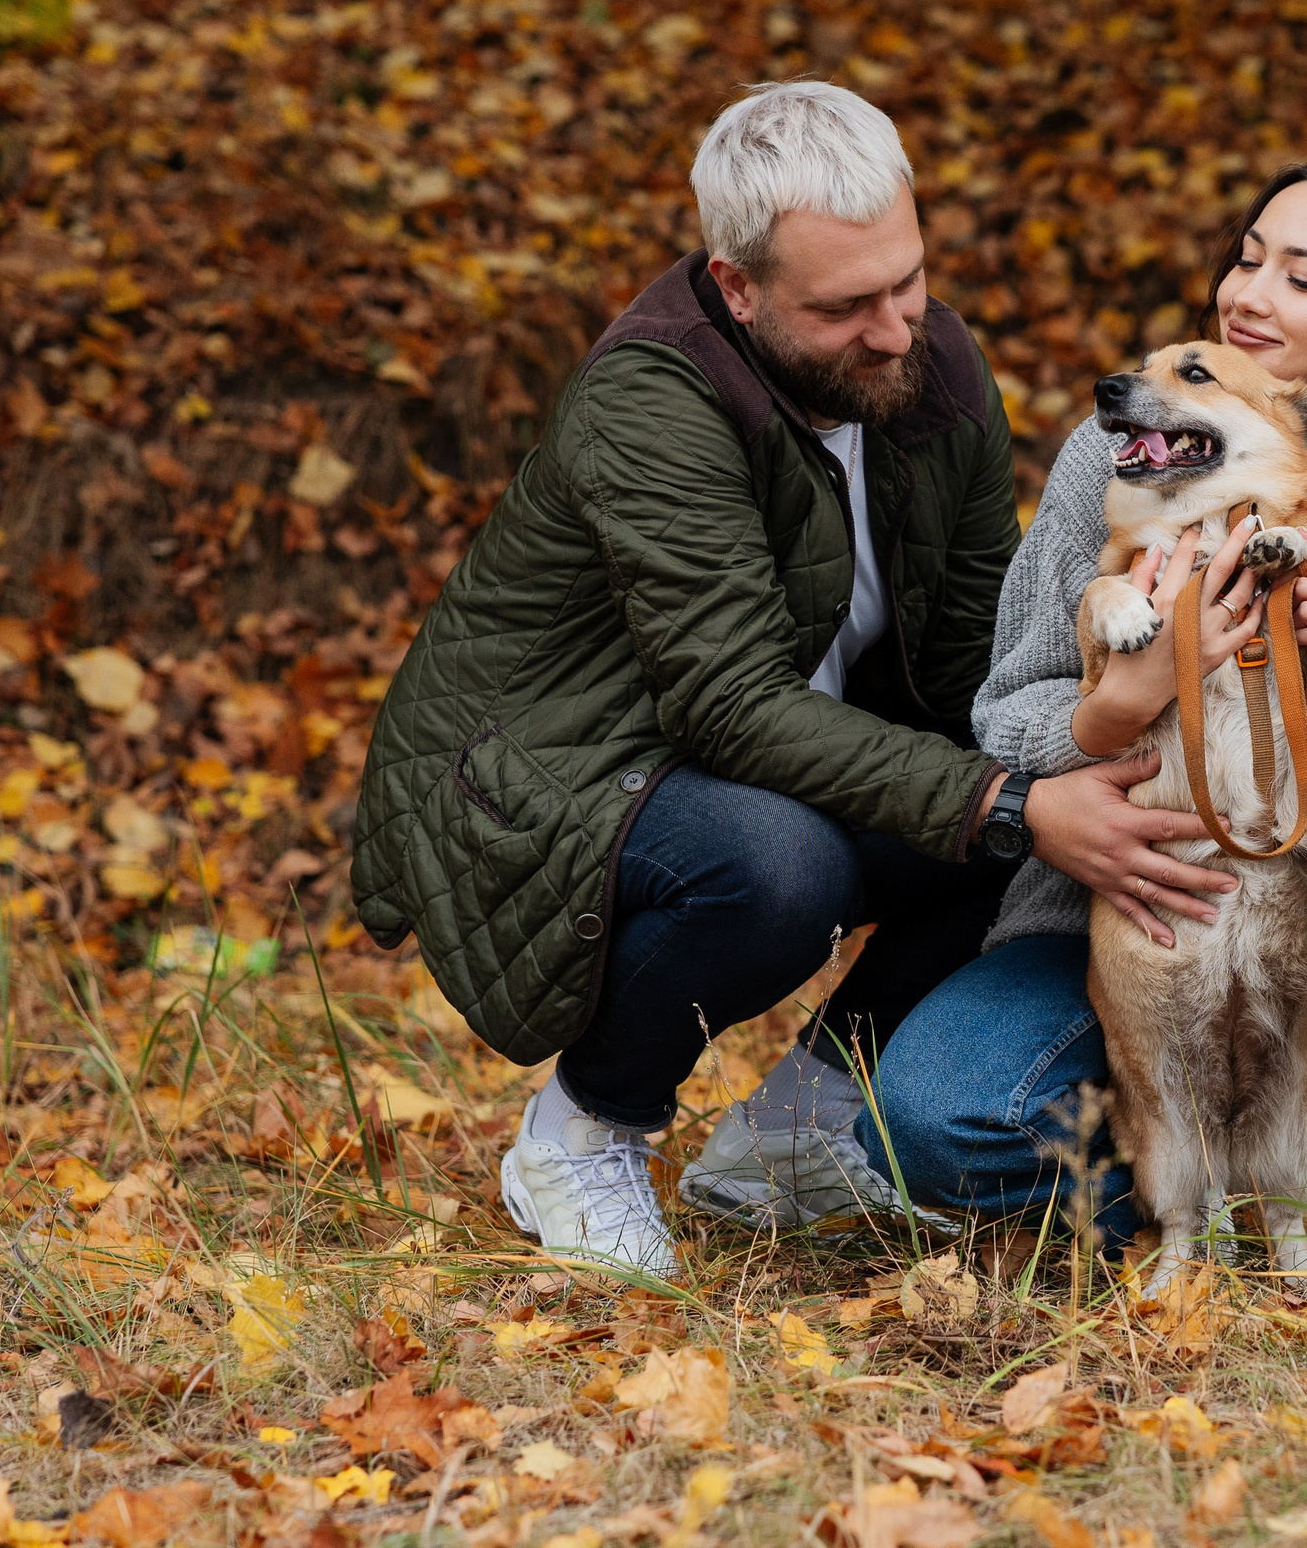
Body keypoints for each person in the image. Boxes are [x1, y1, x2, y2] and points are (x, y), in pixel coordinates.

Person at [349, 82, 1240, 1276]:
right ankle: (583, 1132)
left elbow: (982, 637)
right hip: (548, 770)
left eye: (907, 280)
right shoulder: (652, 403)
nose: (893, 329)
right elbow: (727, 704)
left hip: (759, 747)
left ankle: (794, 1139)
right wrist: (1014, 804)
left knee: (1034, 807)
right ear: (736, 287)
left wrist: (1069, 750)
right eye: (842, 306)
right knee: (785, 868)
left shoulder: (936, 364)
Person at [861, 151, 1307, 1328]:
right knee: (930, 1126)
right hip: (1119, 907)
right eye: (1246, 257)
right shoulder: (1118, 458)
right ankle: (1194, 1194)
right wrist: (1111, 713)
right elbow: (1001, 711)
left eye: (1299, 278)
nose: (1246, 292)